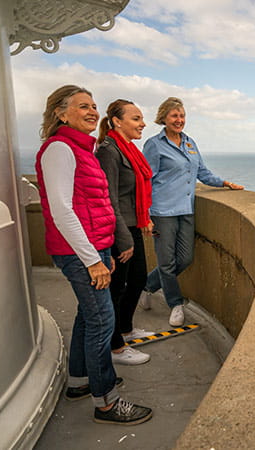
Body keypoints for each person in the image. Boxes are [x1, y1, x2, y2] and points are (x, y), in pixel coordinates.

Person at [35, 85, 152, 425]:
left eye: (93, 106)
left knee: (88, 317)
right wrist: (91, 259)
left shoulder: (80, 149)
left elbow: (92, 205)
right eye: (82, 106)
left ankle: (79, 381)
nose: (92, 112)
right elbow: (62, 210)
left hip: (91, 248)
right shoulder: (59, 149)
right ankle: (106, 402)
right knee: (103, 321)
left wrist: (103, 250)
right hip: (79, 252)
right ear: (60, 113)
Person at [142, 97, 243, 327]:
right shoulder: (155, 145)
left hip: (186, 209)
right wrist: (145, 214)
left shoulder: (189, 143)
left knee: (185, 258)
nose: (179, 120)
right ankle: (175, 304)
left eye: (182, 116)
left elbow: (203, 173)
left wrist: (225, 183)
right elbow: (146, 180)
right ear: (164, 118)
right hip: (162, 211)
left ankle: (147, 285)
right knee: (167, 262)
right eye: (174, 116)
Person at [96, 99, 155, 366]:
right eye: (136, 118)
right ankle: (116, 347)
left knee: (139, 277)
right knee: (117, 286)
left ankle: (126, 328)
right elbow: (110, 198)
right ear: (117, 121)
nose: (142, 123)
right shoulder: (109, 151)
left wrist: (145, 219)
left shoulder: (129, 149)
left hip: (133, 224)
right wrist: (123, 238)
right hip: (119, 228)